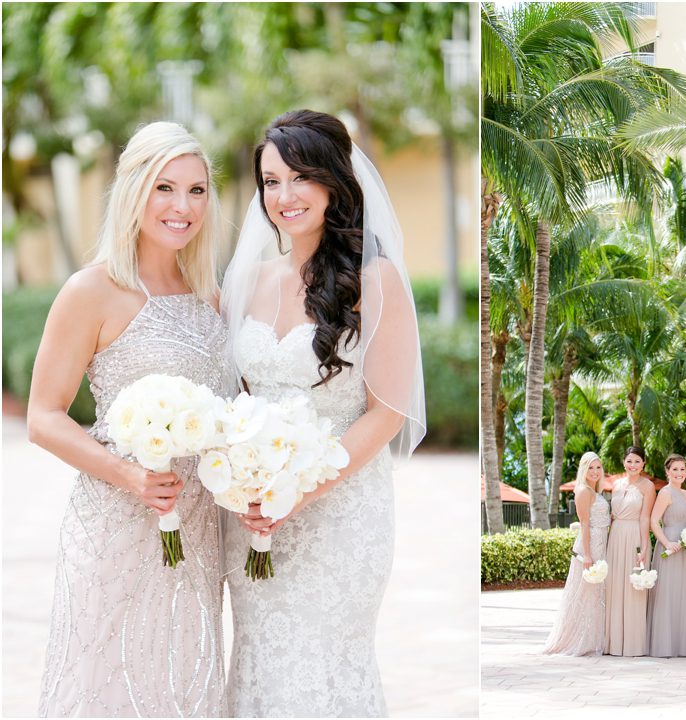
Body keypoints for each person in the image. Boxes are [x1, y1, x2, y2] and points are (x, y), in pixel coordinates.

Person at [220, 109, 425, 717]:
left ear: (333, 180)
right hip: (255, 515)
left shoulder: (375, 279)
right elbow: (239, 401)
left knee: (324, 658)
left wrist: (299, 492)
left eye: (299, 177)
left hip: (341, 510)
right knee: (260, 655)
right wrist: (247, 483)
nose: (283, 196)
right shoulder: (247, 280)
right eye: (270, 181)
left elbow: (386, 413)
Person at [30, 122, 227, 716]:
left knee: (184, 677)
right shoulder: (92, 290)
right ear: (134, 189)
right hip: (117, 519)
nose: (182, 206)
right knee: (110, 680)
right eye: (165, 188)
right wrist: (128, 475)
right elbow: (42, 416)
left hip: (196, 523)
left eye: (197, 190)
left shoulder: (210, 295)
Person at [544, 452, 611, 656]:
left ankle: (595, 638)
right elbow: (584, 523)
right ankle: (580, 639)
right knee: (585, 592)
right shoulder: (583, 491)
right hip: (590, 544)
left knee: (596, 593)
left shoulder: (596, 491)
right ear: (584, 469)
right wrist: (588, 555)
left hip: (601, 540)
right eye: (591, 467)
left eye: (598, 467)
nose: (595, 471)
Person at [646, 454, 686, 657]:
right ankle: (664, 644)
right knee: (667, 593)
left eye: (682, 469)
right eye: (675, 469)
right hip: (670, 545)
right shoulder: (665, 493)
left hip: (685, 547)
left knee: (682, 593)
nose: (679, 473)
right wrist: (667, 542)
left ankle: (680, 643)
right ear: (667, 472)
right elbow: (653, 521)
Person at [604, 446, 656, 656]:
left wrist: (644, 546)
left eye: (637, 461)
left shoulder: (648, 486)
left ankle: (634, 644)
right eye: (629, 461)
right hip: (615, 536)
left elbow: (645, 517)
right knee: (615, 586)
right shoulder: (616, 484)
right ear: (623, 462)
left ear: (643, 463)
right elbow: (612, 516)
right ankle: (614, 643)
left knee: (634, 586)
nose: (632, 465)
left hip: (635, 533)